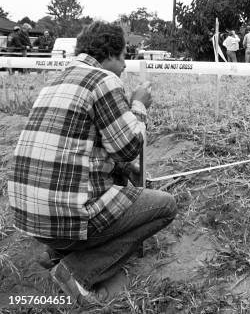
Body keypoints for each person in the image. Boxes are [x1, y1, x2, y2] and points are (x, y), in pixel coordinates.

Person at [8, 21, 177, 305]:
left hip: (29, 215)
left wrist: (123, 170)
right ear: (110, 53)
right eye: (124, 56)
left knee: (118, 182)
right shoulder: (103, 80)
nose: (125, 66)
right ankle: (78, 272)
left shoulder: (56, 81)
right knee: (165, 206)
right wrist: (139, 105)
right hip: (66, 219)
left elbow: (81, 147)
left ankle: (58, 253)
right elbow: (129, 147)